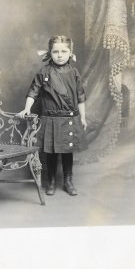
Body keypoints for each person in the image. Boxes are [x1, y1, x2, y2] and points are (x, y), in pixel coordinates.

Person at [18, 35, 87, 196]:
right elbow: (33, 92)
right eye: (56, 52)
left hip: (69, 117)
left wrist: (83, 117)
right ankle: (51, 181)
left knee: (67, 152)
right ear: (50, 53)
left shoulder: (74, 72)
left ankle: (68, 181)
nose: (60, 55)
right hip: (50, 118)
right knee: (51, 152)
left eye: (64, 51)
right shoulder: (44, 72)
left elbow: (81, 96)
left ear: (70, 53)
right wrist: (27, 108)